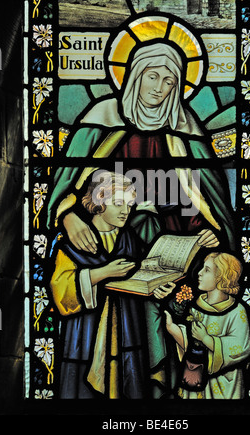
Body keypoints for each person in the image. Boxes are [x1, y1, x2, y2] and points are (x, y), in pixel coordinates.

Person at [46, 41, 236, 254]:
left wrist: (213, 230)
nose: (158, 88)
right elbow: (67, 186)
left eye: (169, 82)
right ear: (136, 75)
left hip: (175, 240)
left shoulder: (185, 128)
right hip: (104, 235)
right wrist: (67, 217)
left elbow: (206, 200)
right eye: (152, 77)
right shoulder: (101, 118)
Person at [50, 171, 176, 399]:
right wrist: (102, 273)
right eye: (118, 203)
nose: (126, 211)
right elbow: (61, 293)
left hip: (128, 331)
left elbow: (140, 281)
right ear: (99, 199)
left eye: (129, 204)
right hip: (85, 335)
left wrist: (156, 290)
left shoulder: (131, 239)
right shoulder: (74, 241)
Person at [165, 252, 250, 399]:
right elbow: (191, 346)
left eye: (206, 270)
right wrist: (172, 329)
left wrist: (207, 339)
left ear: (222, 277)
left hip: (225, 386)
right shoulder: (196, 307)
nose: (199, 273)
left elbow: (242, 347)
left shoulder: (237, 312)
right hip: (196, 381)